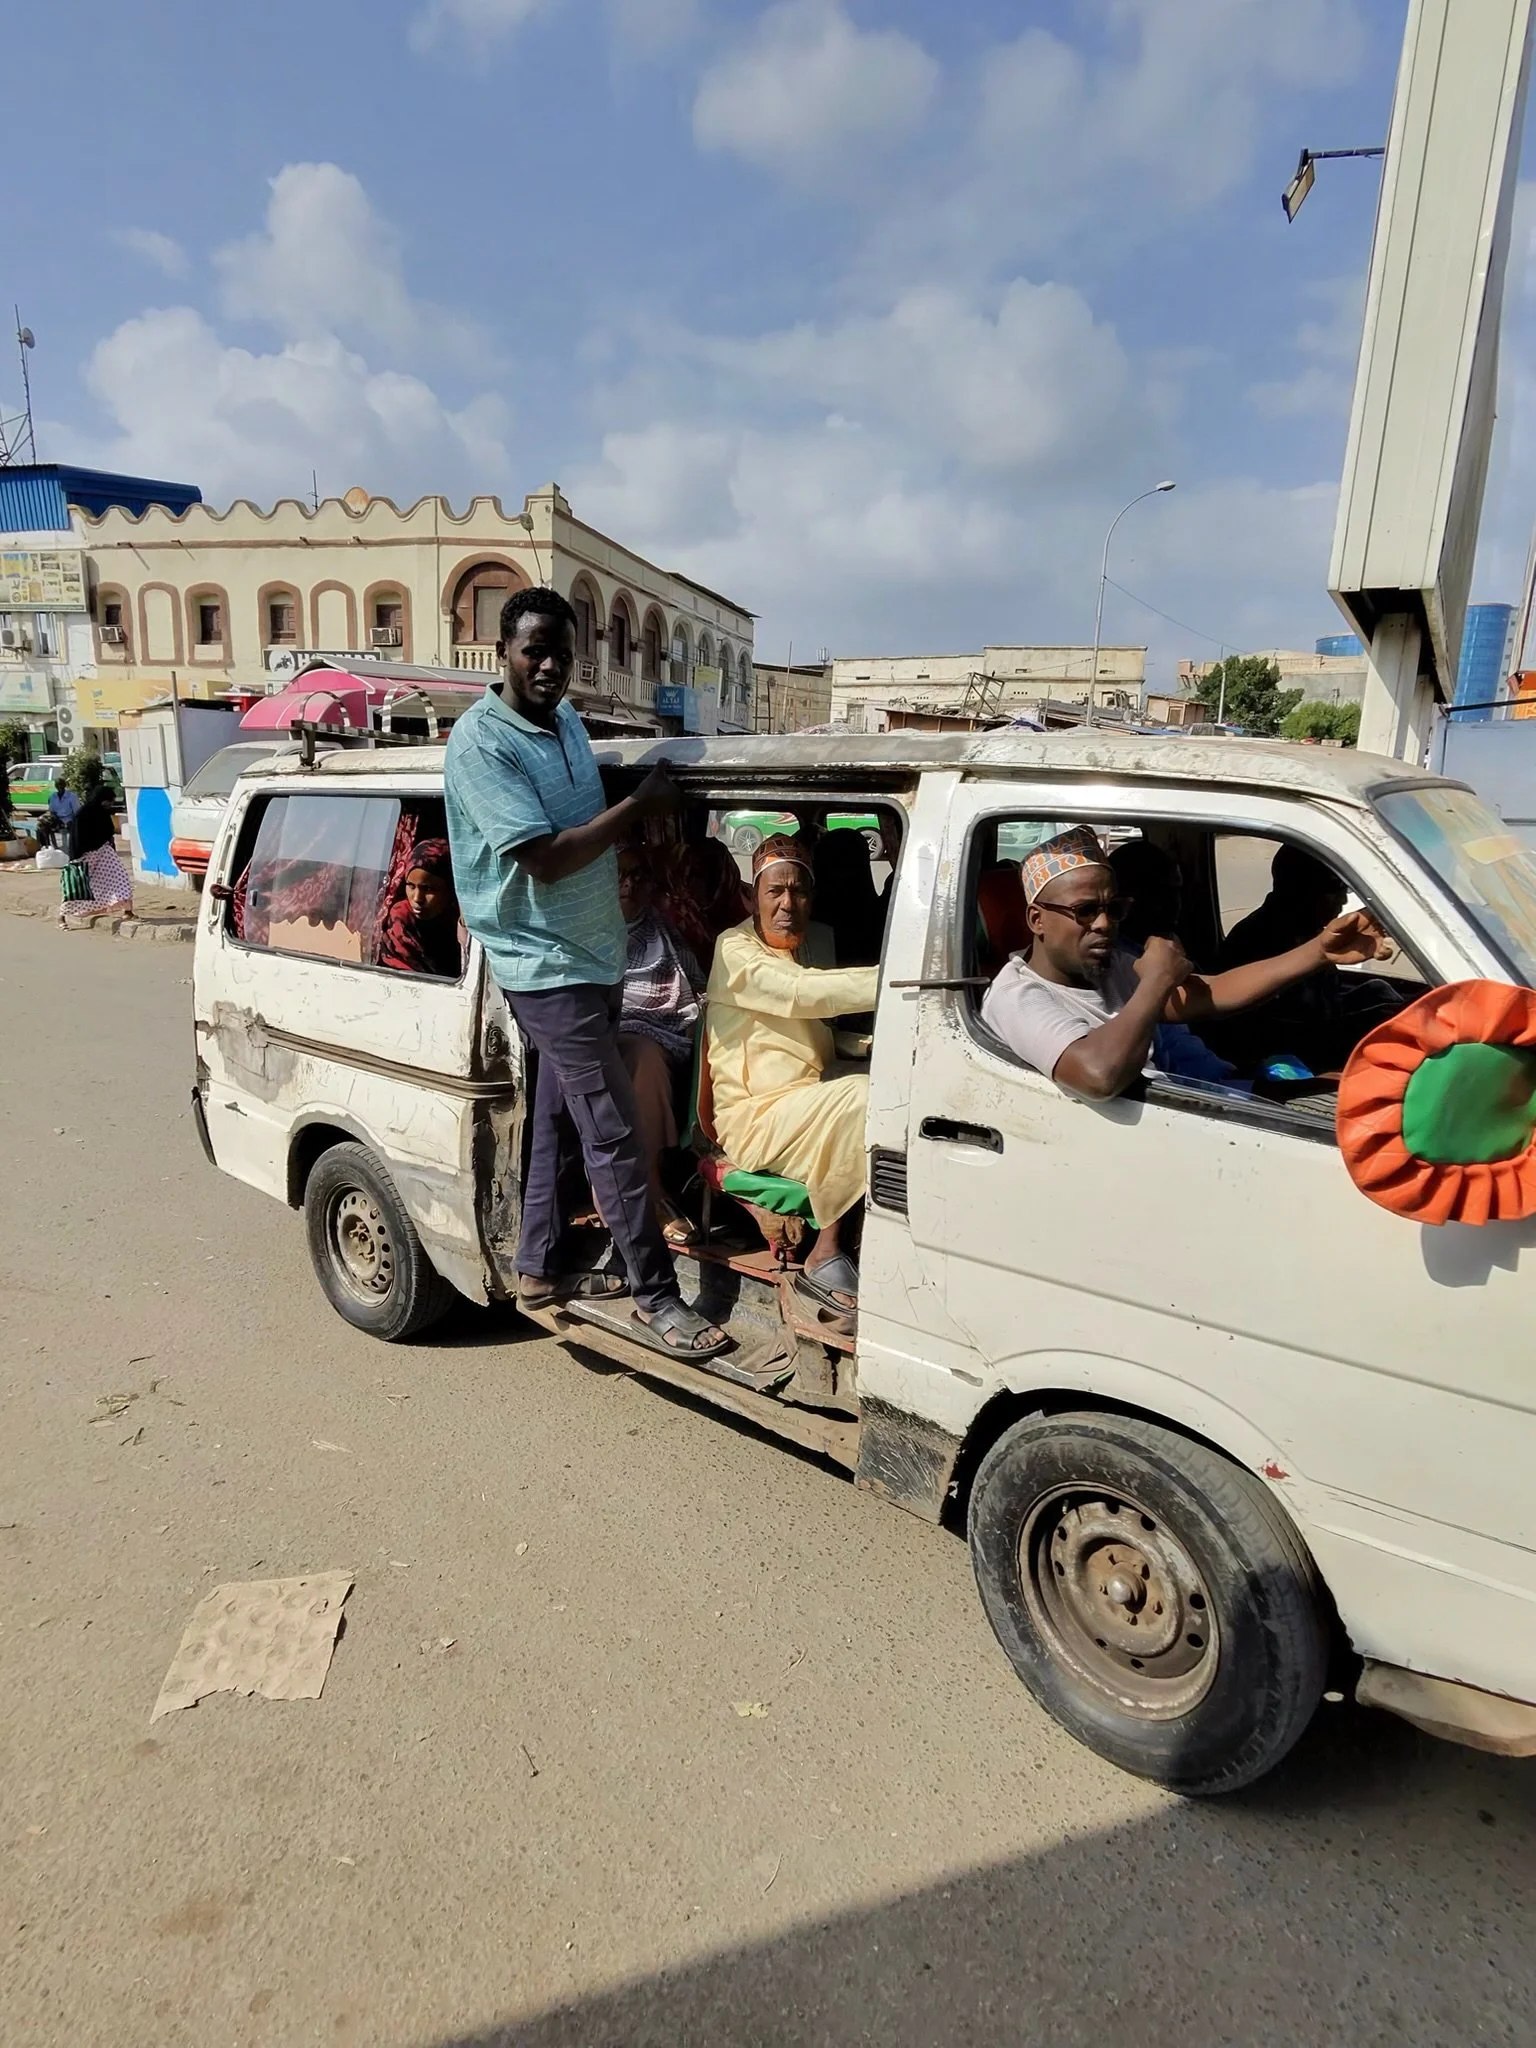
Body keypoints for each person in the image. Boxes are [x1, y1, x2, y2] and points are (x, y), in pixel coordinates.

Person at [444, 585, 728, 1359]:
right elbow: (543, 855)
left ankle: (537, 1267)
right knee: (612, 1130)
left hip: (597, 955)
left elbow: (580, 820)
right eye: (534, 649)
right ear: (503, 651)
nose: (548, 666)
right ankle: (656, 1296)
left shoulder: (565, 721)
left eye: (561, 653)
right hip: (544, 965)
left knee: (563, 1120)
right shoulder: (481, 742)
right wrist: (640, 807)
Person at [981, 825, 1390, 1100]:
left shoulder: (1109, 969)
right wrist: (1156, 979)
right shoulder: (1019, 996)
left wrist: (1319, 951)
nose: (1104, 924)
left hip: (1222, 1098)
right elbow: (1098, 1075)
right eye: (1085, 911)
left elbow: (1213, 992)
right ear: (1037, 920)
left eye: (1114, 909)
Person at [705, 835, 879, 1316]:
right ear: (751, 897)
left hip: (805, 1096)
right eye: (774, 892)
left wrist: (871, 1047)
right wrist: (899, 978)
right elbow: (800, 994)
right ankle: (827, 1249)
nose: (788, 904)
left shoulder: (811, 941)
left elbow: (812, 1028)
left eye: (799, 892)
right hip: (754, 1117)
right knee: (864, 1097)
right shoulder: (735, 948)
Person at [615, 840, 706, 1246]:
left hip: (667, 1028)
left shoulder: (660, 930)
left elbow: (698, 986)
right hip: (607, 1032)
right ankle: (650, 1192)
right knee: (644, 1058)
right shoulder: (589, 932)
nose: (628, 885)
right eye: (618, 875)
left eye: (637, 876)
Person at [1107, 838, 1238, 1087]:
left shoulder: (1165, 946)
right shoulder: (1127, 967)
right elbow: (1215, 994)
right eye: (1161, 894)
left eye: (1177, 892)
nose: (1175, 905)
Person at [378, 837, 462, 977]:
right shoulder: (401, 922)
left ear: (450, 890)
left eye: (428, 889)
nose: (417, 898)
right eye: (411, 886)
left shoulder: (462, 924)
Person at [662, 836, 749, 972]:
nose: (703, 883)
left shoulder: (748, 897)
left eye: (712, 870)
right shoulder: (678, 915)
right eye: (693, 875)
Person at [59, 781, 133, 928]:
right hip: (85, 855)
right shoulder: (83, 815)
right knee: (79, 886)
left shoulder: (103, 813)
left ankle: (128, 910)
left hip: (104, 852)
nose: (110, 804)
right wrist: (76, 858)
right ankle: (61, 917)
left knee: (120, 877)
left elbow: (108, 833)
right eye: (108, 801)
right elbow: (76, 838)